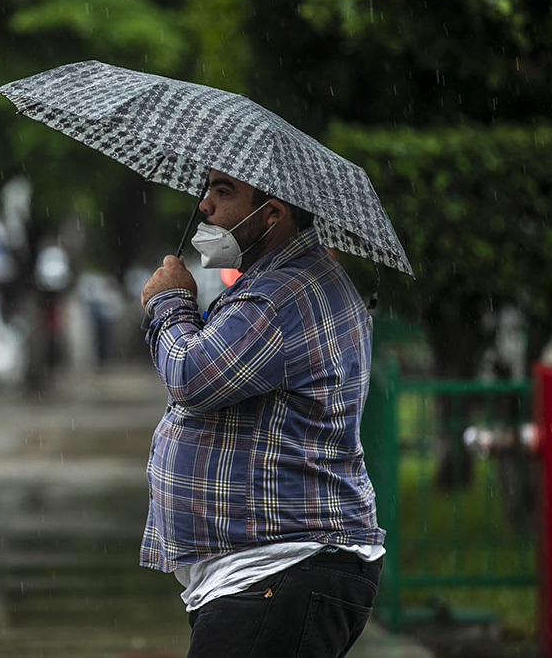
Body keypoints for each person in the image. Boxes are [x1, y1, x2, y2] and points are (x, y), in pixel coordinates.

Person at [139, 169, 385, 658]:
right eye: (208, 189)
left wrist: (169, 302)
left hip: (278, 570)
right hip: (276, 572)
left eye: (223, 191)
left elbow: (190, 376)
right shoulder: (287, 281)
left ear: (272, 214)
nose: (205, 204)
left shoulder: (280, 295)